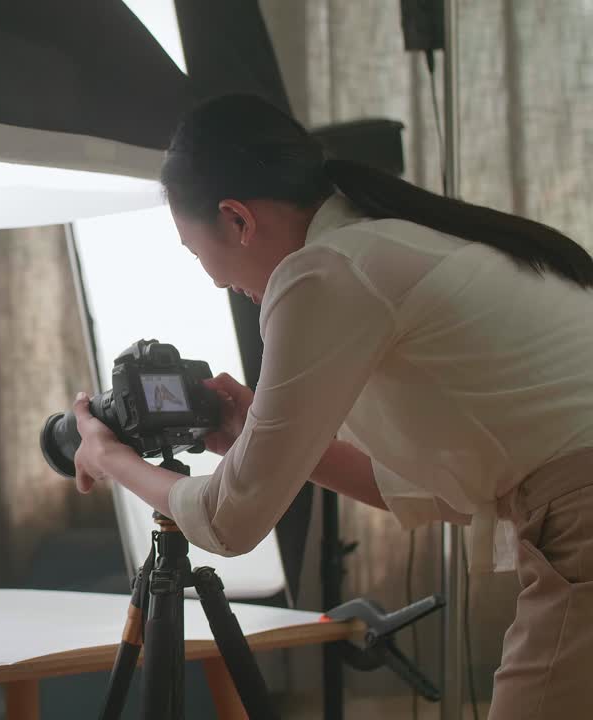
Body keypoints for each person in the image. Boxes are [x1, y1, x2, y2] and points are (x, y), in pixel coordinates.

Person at [69, 94, 593, 718]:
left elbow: (227, 521)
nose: (214, 280)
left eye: (194, 250)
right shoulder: (393, 243)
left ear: (236, 220)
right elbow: (438, 492)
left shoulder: (324, 272)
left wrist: (107, 456)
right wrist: (263, 439)